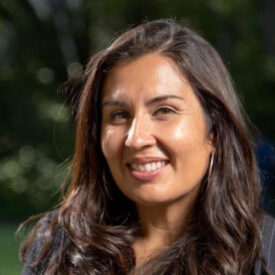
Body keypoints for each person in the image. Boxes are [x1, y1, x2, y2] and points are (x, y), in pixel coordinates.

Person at [19, 19, 275, 275]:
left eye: (164, 110)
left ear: (215, 133)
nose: (136, 138)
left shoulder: (265, 252)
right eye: (119, 115)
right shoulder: (58, 243)